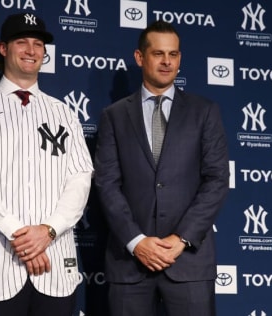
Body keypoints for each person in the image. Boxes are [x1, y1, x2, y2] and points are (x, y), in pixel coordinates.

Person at [0, 13, 93, 316]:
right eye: (22, 42)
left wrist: (48, 231)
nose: (31, 50)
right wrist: (21, 236)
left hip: (54, 266)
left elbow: (80, 180)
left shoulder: (64, 113)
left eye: (38, 44)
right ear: (3, 49)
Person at [94, 20, 229, 316]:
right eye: (158, 54)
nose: (167, 62)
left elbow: (217, 179)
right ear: (140, 57)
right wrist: (137, 241)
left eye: (174, 54)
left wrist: (180, 239)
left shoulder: (204, 111)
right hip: (130, 264)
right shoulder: (114, 116)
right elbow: (107, 183)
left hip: (188, 261)